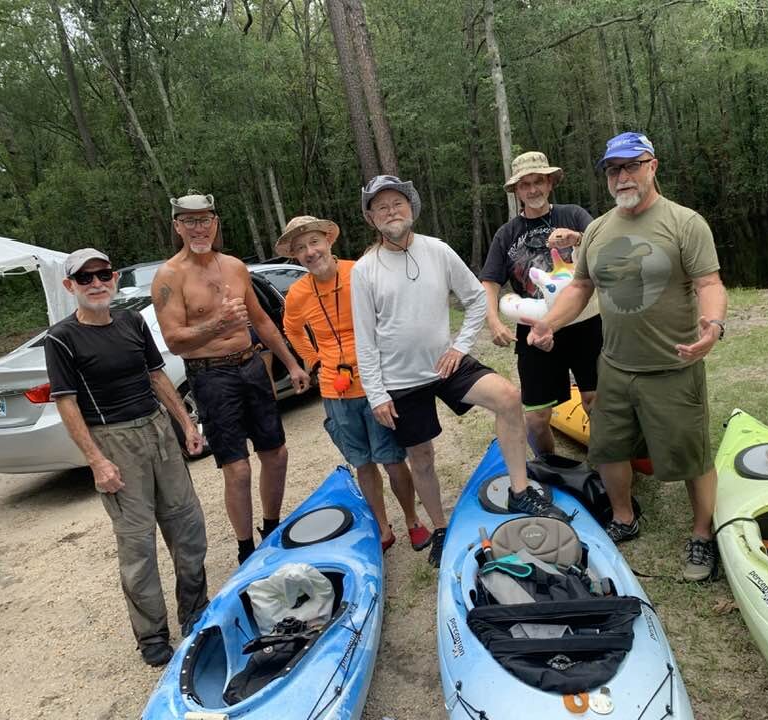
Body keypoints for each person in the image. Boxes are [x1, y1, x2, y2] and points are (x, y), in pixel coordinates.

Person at [526, 133, 728, 582]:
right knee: (609, 449)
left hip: (672, 365)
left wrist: (712, 326)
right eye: (613, 170)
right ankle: (622, 517)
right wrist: (549, 323)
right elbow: (580, 288)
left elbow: (709, 284)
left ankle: (701, 534)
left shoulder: (684, 222)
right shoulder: (597, 229)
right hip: (614, 364)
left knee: (691, 454)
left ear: (652, 166)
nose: (621, 176)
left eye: (630, 166)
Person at [351, 175, 571, 568]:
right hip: (399, 379)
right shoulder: (364, 270)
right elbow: (364, 338)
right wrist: (376, 393)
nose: (390, 212)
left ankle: (520, 490)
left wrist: (459, 346)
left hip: (446, 363)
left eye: (397, 203)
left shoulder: (437, 250)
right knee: (420, 456)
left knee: (508, 397)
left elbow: (474, 299)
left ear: (411, 208)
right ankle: (439, 527)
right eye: (380, 207)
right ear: (371, 218)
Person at [45, 248, 208, 667]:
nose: (97, 284)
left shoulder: (133, 321)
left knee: (187, 524)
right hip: (112, 440)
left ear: (114, 278)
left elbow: (156, 375)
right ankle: (152, 635)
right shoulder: (61, 338)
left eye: (103, 275)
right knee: (138, 545)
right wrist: (97, 461)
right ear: (70, 286)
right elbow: (66, 403)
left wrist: (187, 425)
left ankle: (196, 611)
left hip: (156, 429)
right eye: (85, 278)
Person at [152, 191, 309, 565]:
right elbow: (174, 341)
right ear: (177, 226)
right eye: (189, 221)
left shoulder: (236, 267)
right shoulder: (169, 276)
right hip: (210, 375)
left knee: (277, 454)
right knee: (236, 469)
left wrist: (291, 363)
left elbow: (260, 320)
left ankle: (271, 529)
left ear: (215, 222)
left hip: (251, 365)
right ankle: (245, 549)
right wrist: (216, 323)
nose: (198, 227)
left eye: (205, 219)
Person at [278, 214, 432, 554]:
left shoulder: (360, 271)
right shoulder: (298, 294)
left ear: (329, 241)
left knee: (392, 459)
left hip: (376, 384)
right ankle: (382, 526)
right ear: (295, 256)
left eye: (314, 242)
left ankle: (412, 520)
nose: (310, 252)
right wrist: (314, 357)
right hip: (335, 391)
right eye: (301, 248)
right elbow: (290, 330)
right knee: (362, 463)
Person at [480, 151, 602, 455]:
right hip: (535, 329)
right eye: (525, 184)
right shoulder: (506, 234)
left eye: (538, 182)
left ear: (549, 184)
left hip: (584, 322)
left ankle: (607, 467)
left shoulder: (573, 215)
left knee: (596, 402)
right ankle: (550, 469)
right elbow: (490, 282)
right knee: (536, 417)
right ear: (517, 191)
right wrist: (493, 320)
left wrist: (577, 238)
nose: (533, 189)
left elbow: (604, 244)